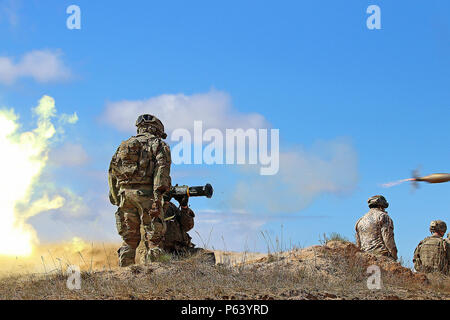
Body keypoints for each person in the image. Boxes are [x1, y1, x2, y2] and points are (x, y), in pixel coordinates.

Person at [108, 114, 171, 267]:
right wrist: (158, 198)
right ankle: (152, 277)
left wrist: (116, 198)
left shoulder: (123, 146)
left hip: (125, 196)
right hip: (147, 197)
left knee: (129, 240)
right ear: (156, 130)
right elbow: (161, 172)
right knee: (154, 239)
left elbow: (112, 172)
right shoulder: (158, 145)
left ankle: (125, 276)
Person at [355, 195, 398, 260]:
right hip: (382, 257)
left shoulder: (360, 220)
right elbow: (388, 239)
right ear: (382, 206)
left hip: (365, 259)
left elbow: (358, 245)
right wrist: (394, 257)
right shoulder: (383, 216)